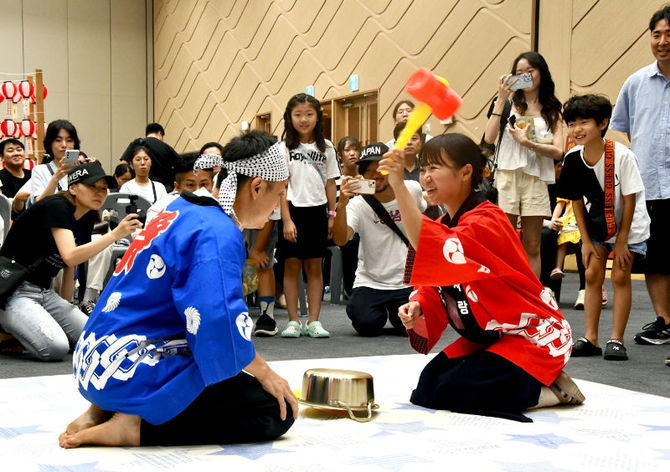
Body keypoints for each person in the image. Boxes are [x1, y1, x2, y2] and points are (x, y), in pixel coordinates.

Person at [59, 130, 297, 448]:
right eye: (279, 193)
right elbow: (217, 322)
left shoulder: (182, 208)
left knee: (213, 351)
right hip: (128, 368)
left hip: (94, 361)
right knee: (274, 409)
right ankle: (132, 427)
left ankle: (102, 410)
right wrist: (266, 373)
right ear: (256, 186)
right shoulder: (217, 232)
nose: (279, 206)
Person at [377, 133, 583, 422]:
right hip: (493, 335)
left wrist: (397, 185)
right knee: (428, 387)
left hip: (532, 334)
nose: (426, 178)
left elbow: (429, 242)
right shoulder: (447, 224)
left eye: (435, 168)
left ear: (465, 172)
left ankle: (549, 389)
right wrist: (419, 305)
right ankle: (528, 380)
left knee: (459, 389)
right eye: (423, 169)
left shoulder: (488, 220)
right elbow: (435, 281)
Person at [0, 162, 142, 361]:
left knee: (93, 338)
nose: (99, 193)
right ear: (73, 188)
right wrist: (114, 235)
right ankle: (4, 325)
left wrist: (65, 310)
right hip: (14, 291)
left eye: (103, 188)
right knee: (56, 348)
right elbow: (70, 255)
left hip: (45, 292)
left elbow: (70, 267)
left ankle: (25, 326)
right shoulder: (57, 206)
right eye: (92, 186)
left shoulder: (85, 216)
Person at [558, 94, 650, 361]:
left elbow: (631, 199)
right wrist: (585, 240)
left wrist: (622, 241)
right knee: (592, 274)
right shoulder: (573, 157)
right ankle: (591, 338)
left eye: (584, 122)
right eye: (572, 123)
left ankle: (616, 339)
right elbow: (575, 200)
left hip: (629, 226)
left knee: (620, 275)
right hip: (597, 222)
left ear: (602, 123)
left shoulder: (622, 156)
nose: (577, 129)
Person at [610, 5, 670, 352]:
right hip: (648, 185)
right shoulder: (635, 83)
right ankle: (665, 321)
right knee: (657, 257)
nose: (662, 42)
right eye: (656, 34)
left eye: (668, 34)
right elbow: (623, 130)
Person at [483, 51, 564, 279]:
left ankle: (531, 296)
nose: (526, 77)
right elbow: (489, 138)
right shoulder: (508, 104)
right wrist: (500, 97)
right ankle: (506, 290)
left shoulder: (551, 109)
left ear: (541, 73)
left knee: (532, 244)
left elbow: (558, 150)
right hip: (508, 174)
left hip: (536, 176)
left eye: (530, 71)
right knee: (505, 241)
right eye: (520, 73)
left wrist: (528, 143)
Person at [333, 142, 426, 336]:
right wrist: (341, 205)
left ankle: (396, 311)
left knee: (407, 328)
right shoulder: (357, 205)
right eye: (369, 171)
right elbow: (341, 240)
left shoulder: (412, 190)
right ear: (362, 176)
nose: (376, 175)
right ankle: (386, 310)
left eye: (382, 169)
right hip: (371, 281)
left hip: (407, 281)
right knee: (367, 324)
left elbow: (426, 212)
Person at [277, 93, 339, 338]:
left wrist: (332, 215)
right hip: (292, 210)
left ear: (318, 117)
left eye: (309, 114)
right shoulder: (283, 148)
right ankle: (293, 321)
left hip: (318, 212)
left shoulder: (327, 147)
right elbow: (281, 186)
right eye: (298, 114)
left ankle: (314, 321)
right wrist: (286, 220)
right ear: (289, 118)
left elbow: (331, 183)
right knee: (291, 266)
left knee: (315, 266)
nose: (303, 119)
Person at [145, 151, 214, 223]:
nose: (198, 191)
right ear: (177, 187)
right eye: (190, 185)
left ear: (212, 184)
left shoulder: (221, 209)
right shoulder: (160, 210)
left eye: (203, 184)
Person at [30, 119, 81, 205]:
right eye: (58, 140)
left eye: (69, 140)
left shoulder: (83, 169)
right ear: (50, 143)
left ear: (74, 144)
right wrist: (56, 178)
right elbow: (38, 204)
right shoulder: (40, 170)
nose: (64, 145)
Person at [335, 136, 361, 297]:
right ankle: (350, 287)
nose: (352, 153)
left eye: (356, 149)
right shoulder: (335, 181)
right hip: (342, 225)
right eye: (347, 150)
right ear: (340, 155)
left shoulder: (367, 180)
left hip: (365, 224)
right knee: (352, 241)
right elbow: (331, 208)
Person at [120, 124, 179, 192]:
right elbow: (180, 165)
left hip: (138, 186)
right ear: (160, 133)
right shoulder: (166, 147)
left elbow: (123, 164)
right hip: (164, 186)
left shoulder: (136, 144)